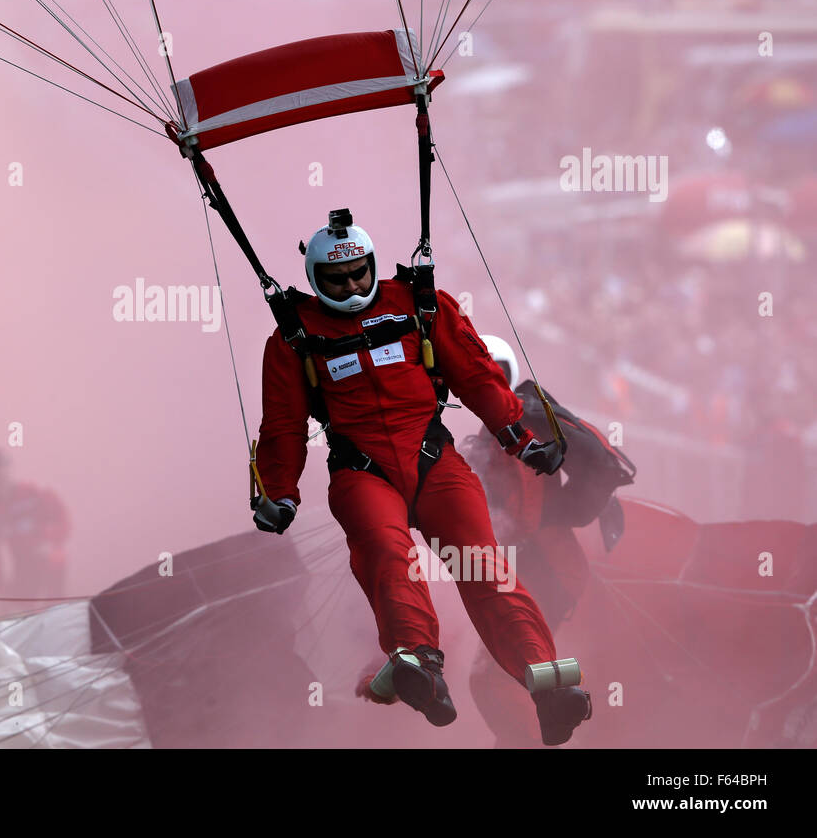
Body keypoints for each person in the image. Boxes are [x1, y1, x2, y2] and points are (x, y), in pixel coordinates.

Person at [251, 209, 591, 746]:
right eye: (337, 279)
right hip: (362, 470)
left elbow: (475, 374)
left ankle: (547, 685)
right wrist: (279, 493)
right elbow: (285, 423)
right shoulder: (294, 337)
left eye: (360, 272)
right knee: (386, 552)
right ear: (317, 282)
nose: (352, 285)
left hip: (434, 458)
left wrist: (521, 441)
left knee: (481, 563)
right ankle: (420, 663)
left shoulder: (419, 304)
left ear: (372, 264)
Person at [463, 337, 635, 745]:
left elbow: (522, 516)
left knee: (492, 677)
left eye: (493, 375)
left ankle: (557, 700)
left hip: (547, 571)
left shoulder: (518, 429)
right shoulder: (499, 431)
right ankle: (556, 697)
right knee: (501, 675)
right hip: (540, 569)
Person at [0, 449, 70, 599]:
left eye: (2, 467)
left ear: (10, 468)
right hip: (22, 567)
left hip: (50, 561)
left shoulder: (34, 492)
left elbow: (63, 520)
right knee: (22, 610)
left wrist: (50, 541)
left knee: (53, 610)